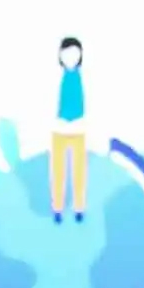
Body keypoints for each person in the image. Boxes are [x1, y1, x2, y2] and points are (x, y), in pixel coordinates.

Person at [51, 35, 88, 223]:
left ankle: (79, 208)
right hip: (59, 129)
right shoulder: (55, 77)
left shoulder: (84, 76)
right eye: (66, 55)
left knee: (78, 171)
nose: (70, 58)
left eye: (75, 55)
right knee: (59, 170)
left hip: (79, 129)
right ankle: (57, 208)